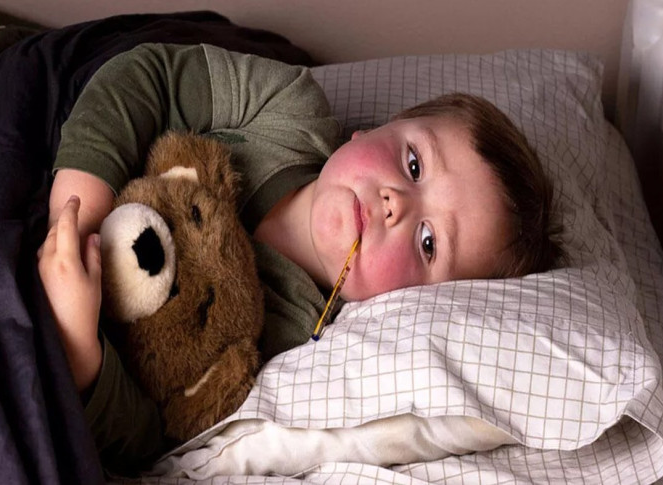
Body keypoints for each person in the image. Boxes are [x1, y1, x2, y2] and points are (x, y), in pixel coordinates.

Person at [37, 43, 564, 472]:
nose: (395, 204)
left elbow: (158, 429)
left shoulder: (296, 343)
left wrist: (80, 352)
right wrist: (75, 218)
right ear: (372, 131)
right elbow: (149, 77)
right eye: (413, 164)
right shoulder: (290, 109)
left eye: (428, 243)